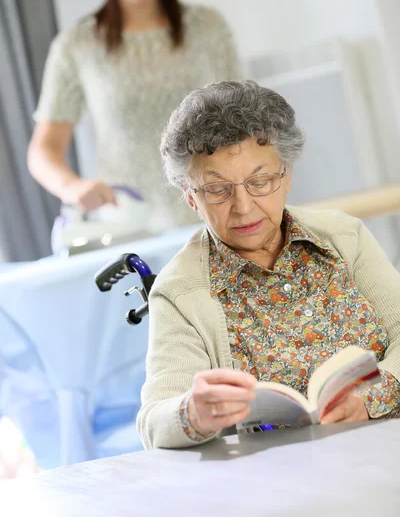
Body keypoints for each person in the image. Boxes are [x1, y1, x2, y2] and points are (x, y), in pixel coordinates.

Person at [137, 80, 400, 449]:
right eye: (217, 189)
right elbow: (154, 422)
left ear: (286, 175)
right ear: (191, 197)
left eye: (259, 181)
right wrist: (192, 413)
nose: (243, 206)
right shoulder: (180, 291)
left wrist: (371, 399)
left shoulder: (343, 236)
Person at [28, 0, 242, 232]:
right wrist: (72, 188)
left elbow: (242, 124)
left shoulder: (208, 28)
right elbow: (43, 149)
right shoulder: (77, 46)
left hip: (215, 213)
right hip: (129, 225)